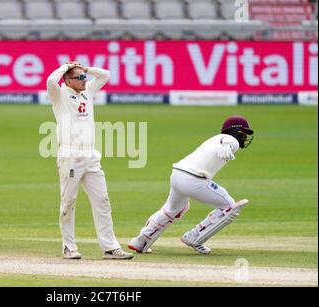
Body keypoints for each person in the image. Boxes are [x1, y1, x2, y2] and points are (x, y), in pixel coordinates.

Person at [128, 116, 254, 255]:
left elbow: (223, 141)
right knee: (230, 207)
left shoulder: (214, 139)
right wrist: (227, 146)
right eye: (243, 133)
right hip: (194, 180)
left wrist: (225, 146)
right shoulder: (230, 140)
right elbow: (227, 141)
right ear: (235, 131)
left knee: (173, 210)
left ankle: (140, 241)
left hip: (177, 175)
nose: (244, 137)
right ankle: (195, 237)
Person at [46, 61, 133, 260]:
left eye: (84, 77)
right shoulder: (59, 95)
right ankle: (69, 247)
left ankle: (110, 248)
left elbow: (105, 75)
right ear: (68, 81)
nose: (85, 80)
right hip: (70, 156)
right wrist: (64, 66)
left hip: (91, 156)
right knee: (69, 202)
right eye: (80, 78)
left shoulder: (88, 90)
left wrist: (85, 70)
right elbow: (51, 79)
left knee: (102, 201)